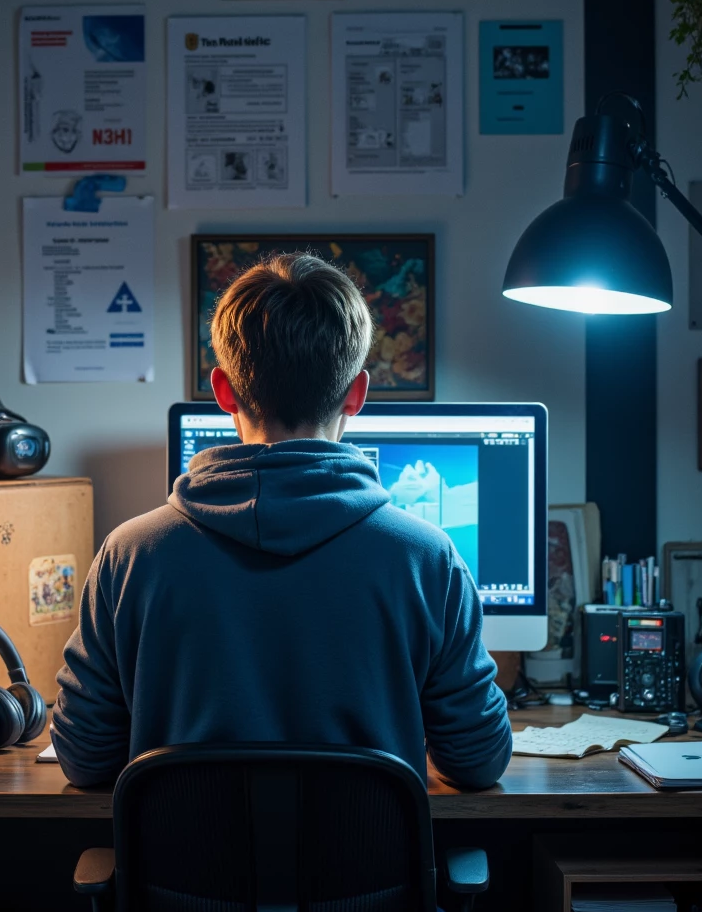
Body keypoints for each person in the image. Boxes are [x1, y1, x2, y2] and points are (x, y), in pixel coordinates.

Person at [51, 252, 512, 792]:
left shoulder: (130, 556)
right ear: (358, 395)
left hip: (187, 877)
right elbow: (477, 763)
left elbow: (84, 760)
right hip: (364, 876)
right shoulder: (426, 559)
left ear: (222, 391)